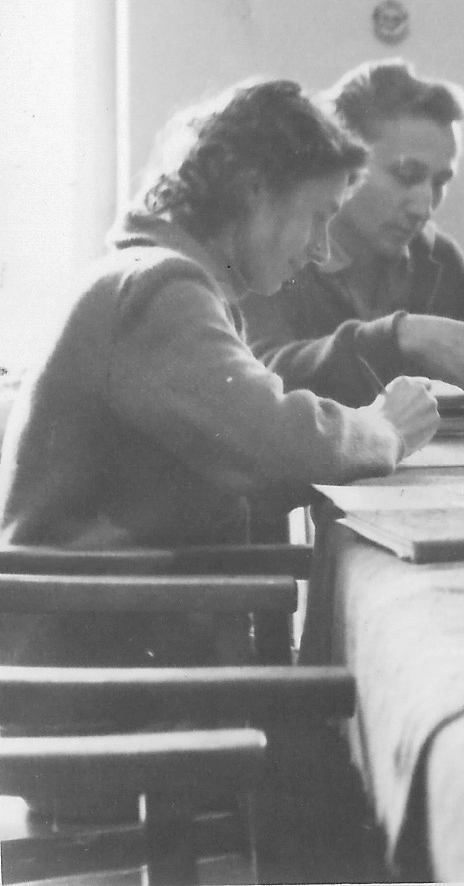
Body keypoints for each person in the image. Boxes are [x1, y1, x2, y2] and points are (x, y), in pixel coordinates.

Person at [0, 78, 439, 665]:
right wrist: (385, 429)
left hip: (97, 634)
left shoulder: (144, 274)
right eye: (317, 216)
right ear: (254, 190)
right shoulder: (161, 288)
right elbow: (276, 444)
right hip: (95, 669)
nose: (321, 249)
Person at [243, 59, 464, 411]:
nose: (424, 207)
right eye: (406, 175)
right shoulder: (279, 250)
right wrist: (396, 337)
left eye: (439, 182)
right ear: (342, 163)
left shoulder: (442, 260)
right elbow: (255, 375)